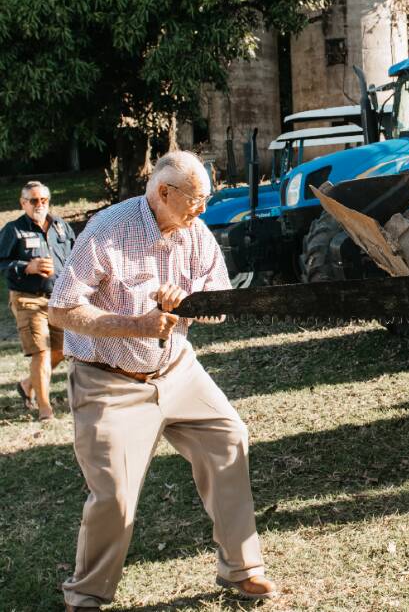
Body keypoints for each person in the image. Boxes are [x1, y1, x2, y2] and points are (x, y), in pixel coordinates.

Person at [48, 152, 278, 609]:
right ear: (163, 193)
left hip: (177, 369)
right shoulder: (109, 230)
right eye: (196, 199)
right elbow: (62, 309)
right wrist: (136, 324)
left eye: (207, 198)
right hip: (108, 381)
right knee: (113, 495)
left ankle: (242, 569)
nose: (203, 210)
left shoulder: (195, 230)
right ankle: (87, 595)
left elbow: (218, 299)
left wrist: (190, 302)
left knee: (229, 437)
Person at [0, 181, 75, 420]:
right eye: (33, 200)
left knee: (63, 350)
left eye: (43, 200)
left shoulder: (61, 227)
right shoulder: (13, 230)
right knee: (41, 352)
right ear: (23, 203)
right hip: (27, 299)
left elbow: (75, 257)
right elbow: (2, 264)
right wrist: (26, 267)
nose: (39, 205)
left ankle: (27, 385)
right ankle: (45, 410)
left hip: (58, 298)